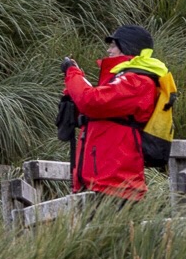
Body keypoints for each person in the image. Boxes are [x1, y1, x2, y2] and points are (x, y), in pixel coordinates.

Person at [61, 25, 166, 200]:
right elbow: (91, 103)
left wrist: (73, 74)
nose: (108, 50)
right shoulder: (124, 80)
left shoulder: (138, 82)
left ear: (127, 47)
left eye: (113, 45)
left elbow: (91, 101)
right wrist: (74, 85)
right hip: (103, 183)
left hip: (116, 186)